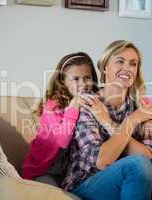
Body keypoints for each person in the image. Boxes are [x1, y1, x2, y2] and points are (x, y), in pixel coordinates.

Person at [62, 40, 152, 200]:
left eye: (133, 64)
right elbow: (102, 161)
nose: (127, 68)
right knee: (137, 165)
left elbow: (148, 156)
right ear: (105, 67)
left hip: (130, 179)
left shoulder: (141, 107)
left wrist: (109, 123)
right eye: (119, 61)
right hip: (86, 183)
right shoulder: (89, 103)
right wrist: (132, 121)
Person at [22, 52, 99, 180]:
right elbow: (62, 142)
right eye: (75, 79)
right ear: (63, 81)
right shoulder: (53, 106)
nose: (83, 84)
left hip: (70, 171)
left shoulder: (92, 99)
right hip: (45, 170)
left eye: (87, 78)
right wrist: (73, 108)